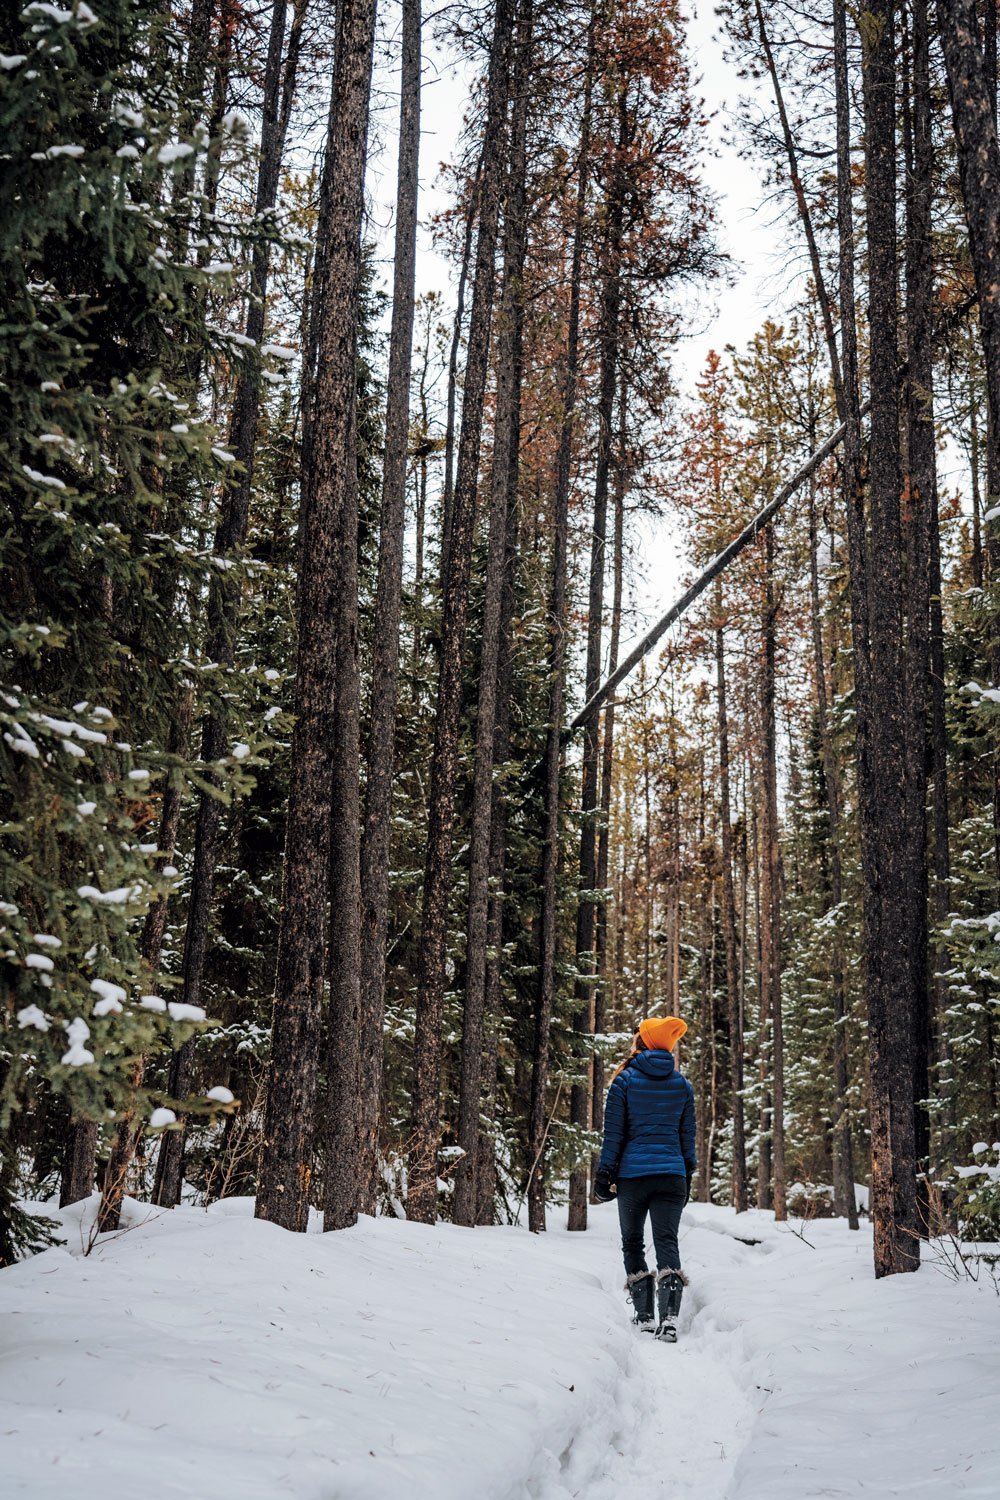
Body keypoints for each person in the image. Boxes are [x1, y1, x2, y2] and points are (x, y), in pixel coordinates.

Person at [593, 1016, 696, 1342]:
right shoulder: (681, 1084)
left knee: (633, 1242)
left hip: (633, 1176)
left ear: (643, 1042)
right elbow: (687, 1137)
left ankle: (644, 1316)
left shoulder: (624, 1081)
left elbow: (614, 1135)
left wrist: (604, 1173)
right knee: (668, 1243)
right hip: (671, 1174)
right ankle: (669, 1320)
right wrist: (687, 1172)